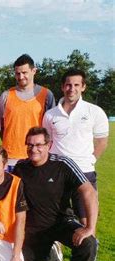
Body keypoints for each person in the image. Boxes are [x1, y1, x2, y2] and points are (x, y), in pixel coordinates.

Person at [13, 127, 98, 261]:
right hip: (34, 229)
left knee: (87, 242)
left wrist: (89, 227)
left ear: (49, 145)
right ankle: (53, 254)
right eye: (29, 145)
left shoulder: (63, 164)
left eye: (38, 145)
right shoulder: (21, 167)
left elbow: (89, 191)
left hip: (60, 223)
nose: (33, 149)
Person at [42, 68, 109, 223]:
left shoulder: (95, 111)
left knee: (87, 220)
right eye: (68, 85)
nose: (71, 89)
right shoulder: (50, 114)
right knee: (54, 218)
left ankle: (89, 246)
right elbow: (48, 142)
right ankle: (55, 247)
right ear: (62, 86)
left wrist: (91, 160)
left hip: (85, 172)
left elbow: (102, 141)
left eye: (76, 85)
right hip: (58, 174)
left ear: (83, 87)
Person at [0, 54, 55, 170]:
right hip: (9, 159)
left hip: (35, 158)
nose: (21, 77)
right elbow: (1, 126)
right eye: (17, 73)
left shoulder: (46, 95)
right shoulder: (6, 96)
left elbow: (50, 128)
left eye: (24, 72)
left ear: (34, 71)